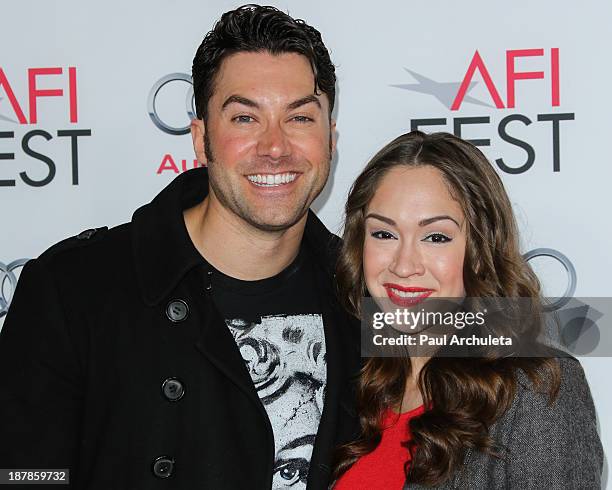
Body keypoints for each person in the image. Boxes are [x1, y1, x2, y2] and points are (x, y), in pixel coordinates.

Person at [0, 5, 360, 489]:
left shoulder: (363, 294)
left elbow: (486, 343)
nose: (275, 147)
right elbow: (23, 475)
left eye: (299, 118)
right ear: (200, 138)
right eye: (245, 118)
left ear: (330, 139)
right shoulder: (74, 291)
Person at [331, 131, 603, 489]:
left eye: (436, 237)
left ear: (479, 250)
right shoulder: (351, 380)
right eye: (384, 234)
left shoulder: (538, 389)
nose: (404, 264)